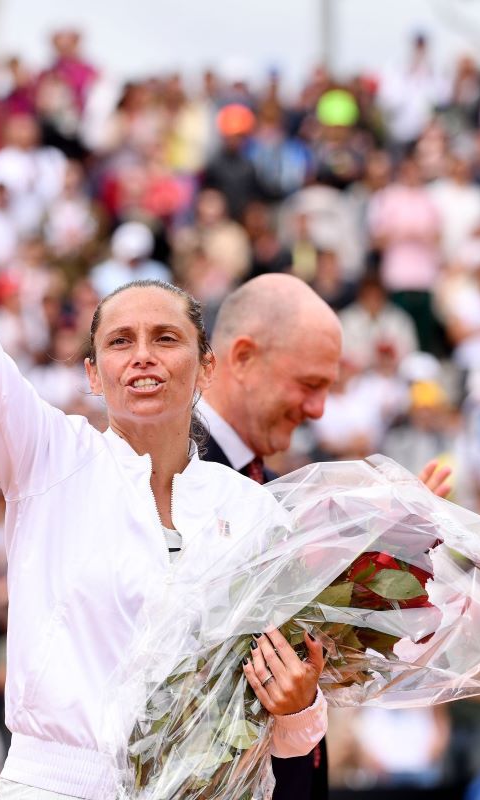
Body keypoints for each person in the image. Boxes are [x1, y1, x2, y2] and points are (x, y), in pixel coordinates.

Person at [0, 65, 327, 800]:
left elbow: (276, 699)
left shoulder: (250, 510)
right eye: (121, 343)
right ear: (93, 374)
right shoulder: (48, 459)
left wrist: (302, 708)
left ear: (207, 366)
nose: (144, 357)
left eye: (166, 338)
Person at [197, 273, 454, 799]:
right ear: (242, 358)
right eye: (310, 385)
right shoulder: (175, 474)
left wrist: (389, 555)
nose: (318, 410)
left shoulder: (260, 482)